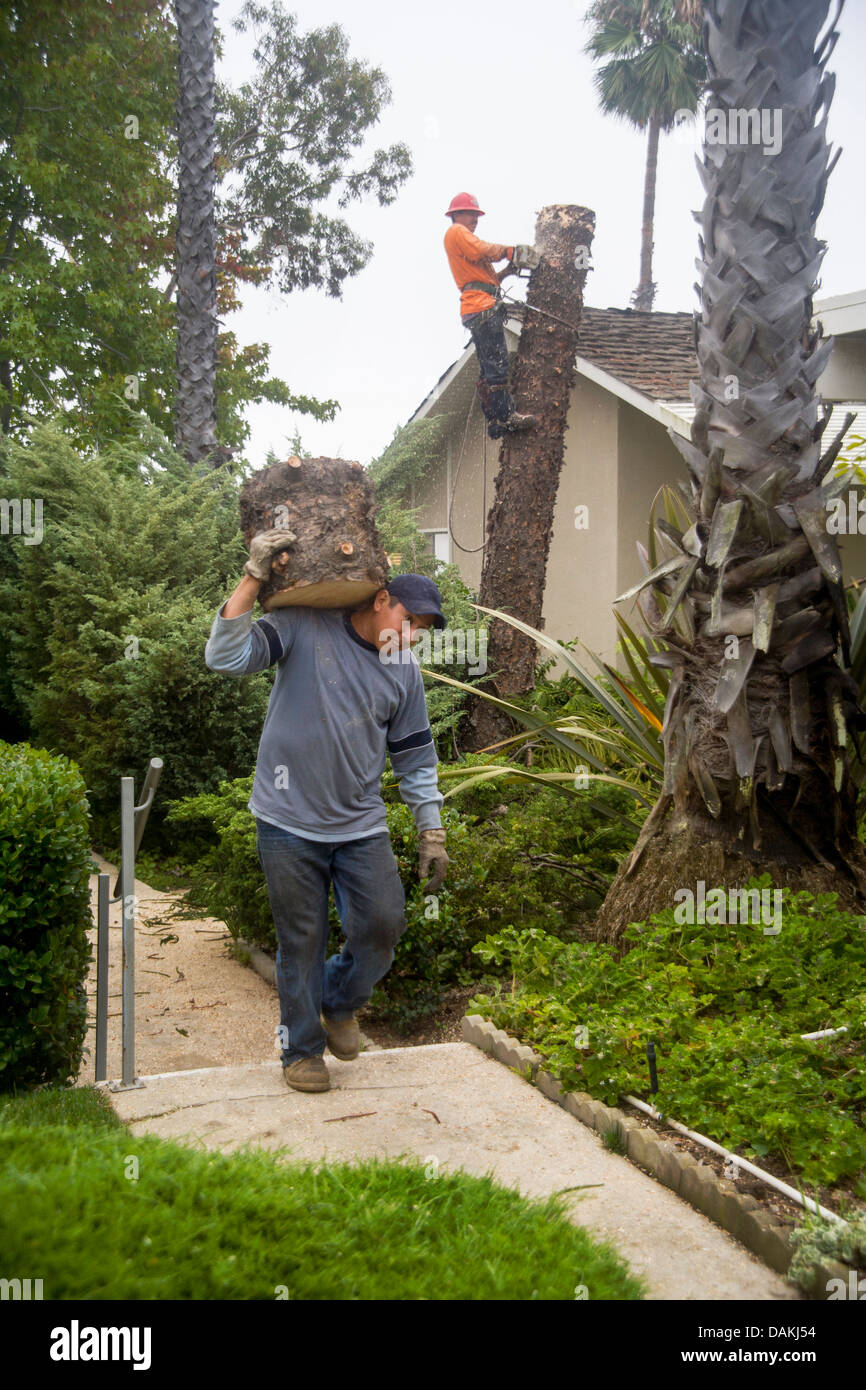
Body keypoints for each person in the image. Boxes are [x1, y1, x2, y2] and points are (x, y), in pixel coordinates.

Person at [204, 527, 450, 1094]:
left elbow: (415, 758)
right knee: (301, 940)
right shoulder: (301, 627)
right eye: (410, 623)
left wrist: (430, 830)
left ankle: (339, 1003)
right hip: (287, 820)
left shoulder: (402, 671)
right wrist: (254, 575)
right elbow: (224, 656)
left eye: (424, 633)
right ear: (382, 599)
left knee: (383, 925)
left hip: (359, 823)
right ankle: (301, 1051)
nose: (412, 638)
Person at [443, 191, 540, 439]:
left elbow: (487, 280)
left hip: (479, 305)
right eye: (470, 214)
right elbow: (482, 250)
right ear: (456, 215)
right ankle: (505, 416)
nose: (474, 219)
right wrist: (510, 251)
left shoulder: (463, 243)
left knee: (490, 368)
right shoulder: (457, 233)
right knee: (497, 365)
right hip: (481, 307)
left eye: (476, 215)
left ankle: (496, 421)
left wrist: (507, 270)